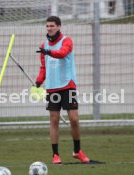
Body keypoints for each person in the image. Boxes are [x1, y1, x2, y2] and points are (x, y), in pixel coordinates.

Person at [35, 16, 90, 164]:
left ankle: (77, 151)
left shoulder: (67, 41)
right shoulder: (44, 46)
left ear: (59, 26)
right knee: (54, 120)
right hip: (52, 88)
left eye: (52, 26)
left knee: (74, 119)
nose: (49, 28)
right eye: (47, 26)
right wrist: (39, 81)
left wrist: (48, 52)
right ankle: (55, 155)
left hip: (67, 85)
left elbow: (62, 53)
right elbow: (43, 67)